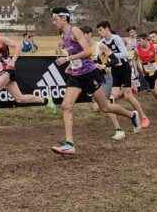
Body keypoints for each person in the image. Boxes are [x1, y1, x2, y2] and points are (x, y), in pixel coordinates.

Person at [50, 8, 140, 155]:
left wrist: (67, 59)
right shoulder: (64, 36)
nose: (54, 22)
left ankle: (132, 115)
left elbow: (88, 52)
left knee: (105, 107)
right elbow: (75, 54)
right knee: (66, 106)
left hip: (89, 74)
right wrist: (69, 64)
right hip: (76, 75)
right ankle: (69, 144)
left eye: (55, 19)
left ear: (64, 18)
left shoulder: (76, 31)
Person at [0, 21, 53, 135]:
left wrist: (13, 60)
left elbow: (18, 45)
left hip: (8, 71)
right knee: (19, 98)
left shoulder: (0, 39)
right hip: (0, 72)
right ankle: (46, 100)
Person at [96, 21, 150, 129]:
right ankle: (120, 125)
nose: (99, 32)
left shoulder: (116, 38)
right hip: (115, 70)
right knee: (112, 97)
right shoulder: (101, 42)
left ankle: (143, 117)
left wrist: (110, 54)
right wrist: (102, 63)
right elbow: (101, 57)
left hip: (124, 68)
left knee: (128, 96)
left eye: (100, 30)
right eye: (98, 31)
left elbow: (125, 54)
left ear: (107, 29)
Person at [83, 25, 126, 141]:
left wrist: (104, 65)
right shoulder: (83, 48)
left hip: (105, 78)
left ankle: (119, 130)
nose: (81, 38)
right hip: (94, 79)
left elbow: (115, 60)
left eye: (83, 35)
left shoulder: (100, 46)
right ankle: (126, 107)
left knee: (106, 105)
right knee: (97, 107)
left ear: (89, 34)